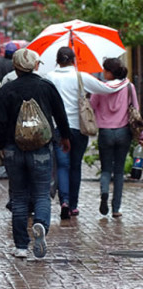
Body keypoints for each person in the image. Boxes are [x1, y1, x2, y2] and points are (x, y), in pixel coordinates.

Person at [0, 48, 71, 259]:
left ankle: (20, 246)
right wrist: (64, 137)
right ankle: (40, 225)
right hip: (41, 148)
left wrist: (1, 144)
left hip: (12, 148)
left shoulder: (6, 90)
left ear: (15, 67)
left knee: (18, 196)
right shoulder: (46, 86)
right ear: (36, 65)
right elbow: (60, 114)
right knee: (41, 193)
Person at [44, 47, 127, 219]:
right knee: (75, 166)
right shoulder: (80, 76)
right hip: (78, 128)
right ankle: (73, 206)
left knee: (62, 166)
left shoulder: (49, 78)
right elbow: (106, 89)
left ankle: (64, 202)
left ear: (57, 61)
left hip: (58, 129)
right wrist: (124, 81)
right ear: (74, 60)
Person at [90, 58, 137, 218]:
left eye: (105, 70)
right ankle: (116, 208)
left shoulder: (100, 88)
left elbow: (91, 105)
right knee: (118, 172)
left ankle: (104, 193)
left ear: (110, 72)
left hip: (105, 132)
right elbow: (135, 110)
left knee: (105, 169)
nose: (103, 73)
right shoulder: (129, 87)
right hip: (124, 132)